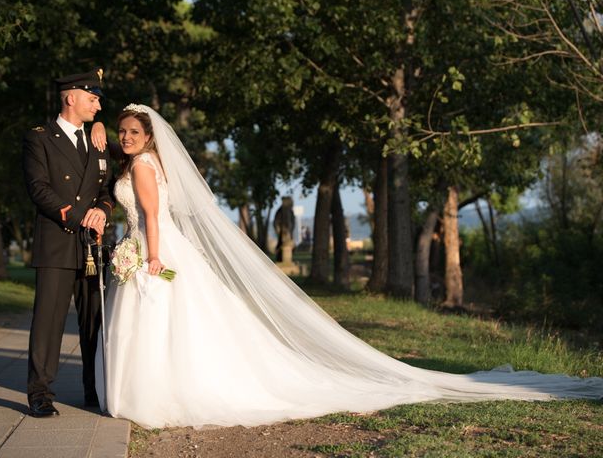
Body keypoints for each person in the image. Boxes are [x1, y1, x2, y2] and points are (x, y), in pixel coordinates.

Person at [94, 104, 602, 429]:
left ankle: (156, 393)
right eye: (122, 131)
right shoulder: (142, 164)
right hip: (152, 248)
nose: (127, 136)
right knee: (185, 326)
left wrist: (151, 256)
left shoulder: (141, 167)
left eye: (134, 131)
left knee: (167, 322)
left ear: (150, 137)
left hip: (156, 251)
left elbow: (153, 217)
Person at [22, 68, 114, 418]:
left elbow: (106, 190)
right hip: (57, 242)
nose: (98, 107)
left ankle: (95, 390)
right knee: (49, 321)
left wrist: (103, 212)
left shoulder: (96, 140)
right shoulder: (39, 138)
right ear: (71, 97)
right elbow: (39, 189)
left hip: (91, 245)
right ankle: (40, 394)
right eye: (93, 99)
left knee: (94, 322)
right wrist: (81, 217)